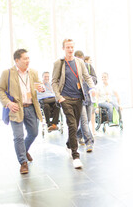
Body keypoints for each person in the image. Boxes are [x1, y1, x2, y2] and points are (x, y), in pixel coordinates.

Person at [0, 49, 44, 174]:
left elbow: (38, 86)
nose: (28, 61)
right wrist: (8, 103)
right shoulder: (7, 73)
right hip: (16, 108)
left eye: (28, 58)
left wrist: (42, 88)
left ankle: (24, 149)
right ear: (17, 60)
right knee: (18, 137)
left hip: (31, 107)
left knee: (33, 133)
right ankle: (23, 162)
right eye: (25, 58)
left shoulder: (33, 72)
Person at [52, 39, 96, 169]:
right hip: (65, 98)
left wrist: (92, 88)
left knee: (75, 125)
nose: (70, 49)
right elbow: (54, 81)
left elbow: (87, 77)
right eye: (67, 47)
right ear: (63, 48)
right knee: (72, 124)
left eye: (72, 47)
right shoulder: (59, 63)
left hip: (78, 98)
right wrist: (59, 97)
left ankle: (68, 144)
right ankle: (76, 156)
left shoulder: (79, 62)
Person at [74, 51, 96, 152]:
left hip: (89, 97)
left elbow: (95, 79)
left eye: (80, 59)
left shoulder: (89, 67)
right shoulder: (73, 69)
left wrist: (87, 79)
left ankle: (77, 136)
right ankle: (89, 142)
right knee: (83, 121)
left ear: (83, 58)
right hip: (80, 98)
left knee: (86, 120)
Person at [84, 56, 98, 134]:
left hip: (91, 95)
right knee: (85, 117)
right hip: (84, 95)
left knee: (91, 113)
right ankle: (86, 130)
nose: (91, 62)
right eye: (90, 60)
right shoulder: (82, 68)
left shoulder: (90, 68)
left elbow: (95, 80)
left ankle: (93, 129)